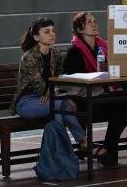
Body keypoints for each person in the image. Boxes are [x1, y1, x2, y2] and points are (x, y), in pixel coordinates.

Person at [63, 11, 127, 168]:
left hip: (104, 95)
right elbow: (74, 84)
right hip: (86, 100)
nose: (94, 24)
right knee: (123, 107)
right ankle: (109, 152)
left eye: (95, 21)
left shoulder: (103, 47)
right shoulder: (74, 52)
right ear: (79, 29)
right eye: (89, 22)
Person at [11, 17, 87, 152]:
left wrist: (53, 92)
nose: (52, 34)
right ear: (36, 37)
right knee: (62, 105)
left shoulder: (56, 53)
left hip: (49, 99)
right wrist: (56, 93)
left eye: (52, 31)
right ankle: (83, 142)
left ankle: (59, 152)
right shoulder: (29, 57)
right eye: (47, 32)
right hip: (27, 102)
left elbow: (59, 79)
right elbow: (39, 86)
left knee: (58, 111)